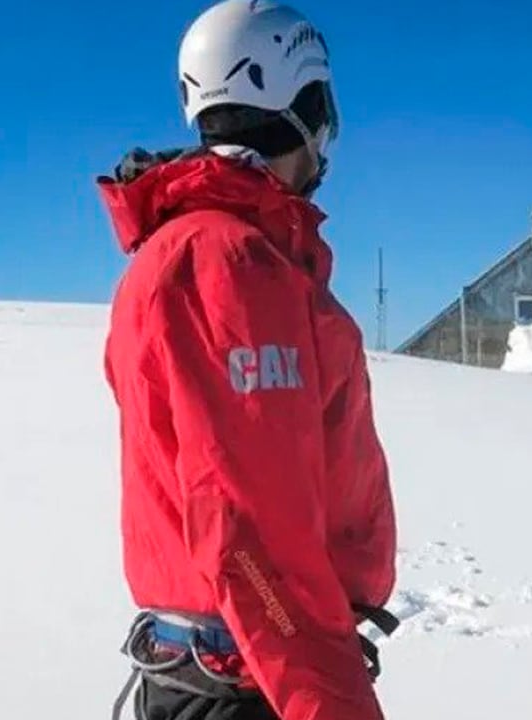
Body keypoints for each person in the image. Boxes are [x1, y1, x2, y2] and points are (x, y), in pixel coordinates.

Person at [99, 2, 396, 720]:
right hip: (256, 676)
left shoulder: (230, 254)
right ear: (304, 104)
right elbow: (247, 528)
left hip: (252, 667)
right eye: (321, 109)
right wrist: (330, 703)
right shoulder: (225, 264)